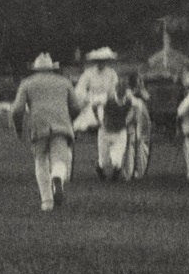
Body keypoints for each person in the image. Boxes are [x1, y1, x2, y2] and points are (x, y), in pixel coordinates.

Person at [10, 53, 84, 212]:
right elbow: (76, 108)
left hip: (39, 125)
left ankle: (47, 202)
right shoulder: (64, 82)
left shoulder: (27, 83)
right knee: (60, 159)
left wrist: (19, 129)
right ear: (52, 68)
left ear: (36, 69)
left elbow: (17, 110)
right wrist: (70, 119)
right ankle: (57, 178)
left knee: (41, 160)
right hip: (61, 124)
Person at [95, 77, 136, 181]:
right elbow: (98, 107)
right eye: (120, 89)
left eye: (124, 89)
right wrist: (100, 120)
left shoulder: (129, 100)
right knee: (104, 161)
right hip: (105, 131)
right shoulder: (107, 98)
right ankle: (100, 168)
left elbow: (132, 111)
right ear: (116, 89)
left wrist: (126, 121)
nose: (122, 91)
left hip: (120, 132)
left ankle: (115, 174)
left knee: (117, 158)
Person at [72, 47, 121, 133]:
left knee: (108, 114)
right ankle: (92, 125)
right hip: (91, 100)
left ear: (107, 61)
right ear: (95, 61)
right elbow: (80, 88)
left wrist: (109, 98)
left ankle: (103, 124)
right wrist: (86, 98)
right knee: (85, 120)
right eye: (98, 61)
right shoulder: (88, 72)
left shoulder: (112, 73)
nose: (101, 63)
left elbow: (114, 89)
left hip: (107, 101)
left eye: (103, 61)